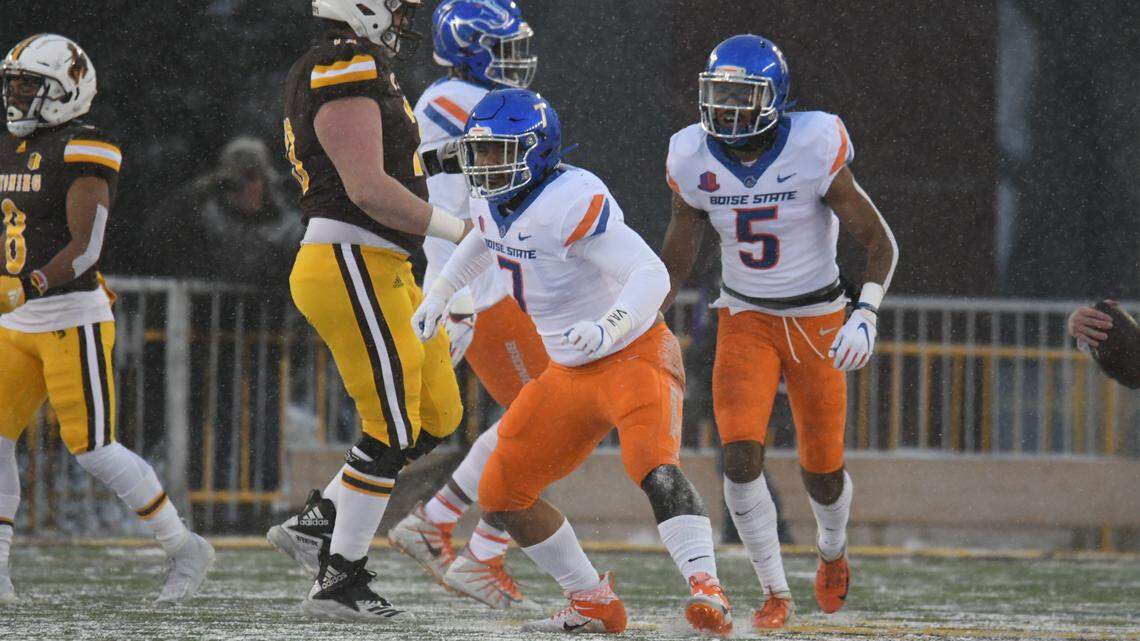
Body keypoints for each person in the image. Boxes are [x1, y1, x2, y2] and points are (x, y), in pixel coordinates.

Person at [413, 88, 733, 635]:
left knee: (654, 466)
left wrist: (609, 325)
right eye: (479, 151)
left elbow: (651, 274)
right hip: (567, 371)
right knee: (501, 492)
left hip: (632, 353)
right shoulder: (493, 198)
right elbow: (483, 238)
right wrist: (440, 293)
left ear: (537, 151)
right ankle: (591, 600)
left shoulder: (569, 200)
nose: (485, 164)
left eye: (498, 152)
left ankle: (708, 590)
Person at [660, 34, 899, 629]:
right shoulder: (692, 156)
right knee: (739, 456)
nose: (726, 110)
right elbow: (677, 257)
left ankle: (832, 550)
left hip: (819, 320)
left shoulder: (814, 143)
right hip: (745, 319)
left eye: (741, 96)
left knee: (823, 472)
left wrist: (865, 314)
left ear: (773, 98)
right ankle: (774, 591)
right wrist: (644, 316)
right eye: (718, 95)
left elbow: (880, 243)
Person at [264, 0, 471, 623]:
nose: (403, 21)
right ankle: (339, 580)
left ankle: (318, 521)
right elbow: (367, 187)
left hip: (383, 265)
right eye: (397, 10)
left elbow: (396, 166)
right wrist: (461, 233)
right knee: (392, 426)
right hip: (350, 258)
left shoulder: (358, 66)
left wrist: (458, 158)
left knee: (438, 413)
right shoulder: (344, 63)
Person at [0, 34, 213, 604]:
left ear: (67, 90)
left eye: (29, 86)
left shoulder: (85, 145)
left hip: (70, 315)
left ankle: (183, 546)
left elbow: (86, 247)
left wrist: (29, 284)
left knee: (92, 447)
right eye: (12, 85)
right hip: (17, 323)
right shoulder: (13, 147)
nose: (15, 97)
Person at [386, 0, 544, 610]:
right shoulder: (452, 100)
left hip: (492, 280)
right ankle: (462, 541)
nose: (516, 61)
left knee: (541, 418)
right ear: (468, 50)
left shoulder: (467, 99)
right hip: (480, 285)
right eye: (503, 48)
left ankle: (437, 522)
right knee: (549, 418)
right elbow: (524, 160)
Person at [145, 136, 302, 285]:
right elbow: (157, 236)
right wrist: (202, 188)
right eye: (234, 180)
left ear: (266, 181)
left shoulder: (289, 229)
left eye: (251, 177)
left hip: (269, 304)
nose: (244, 188)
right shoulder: (209, 221)